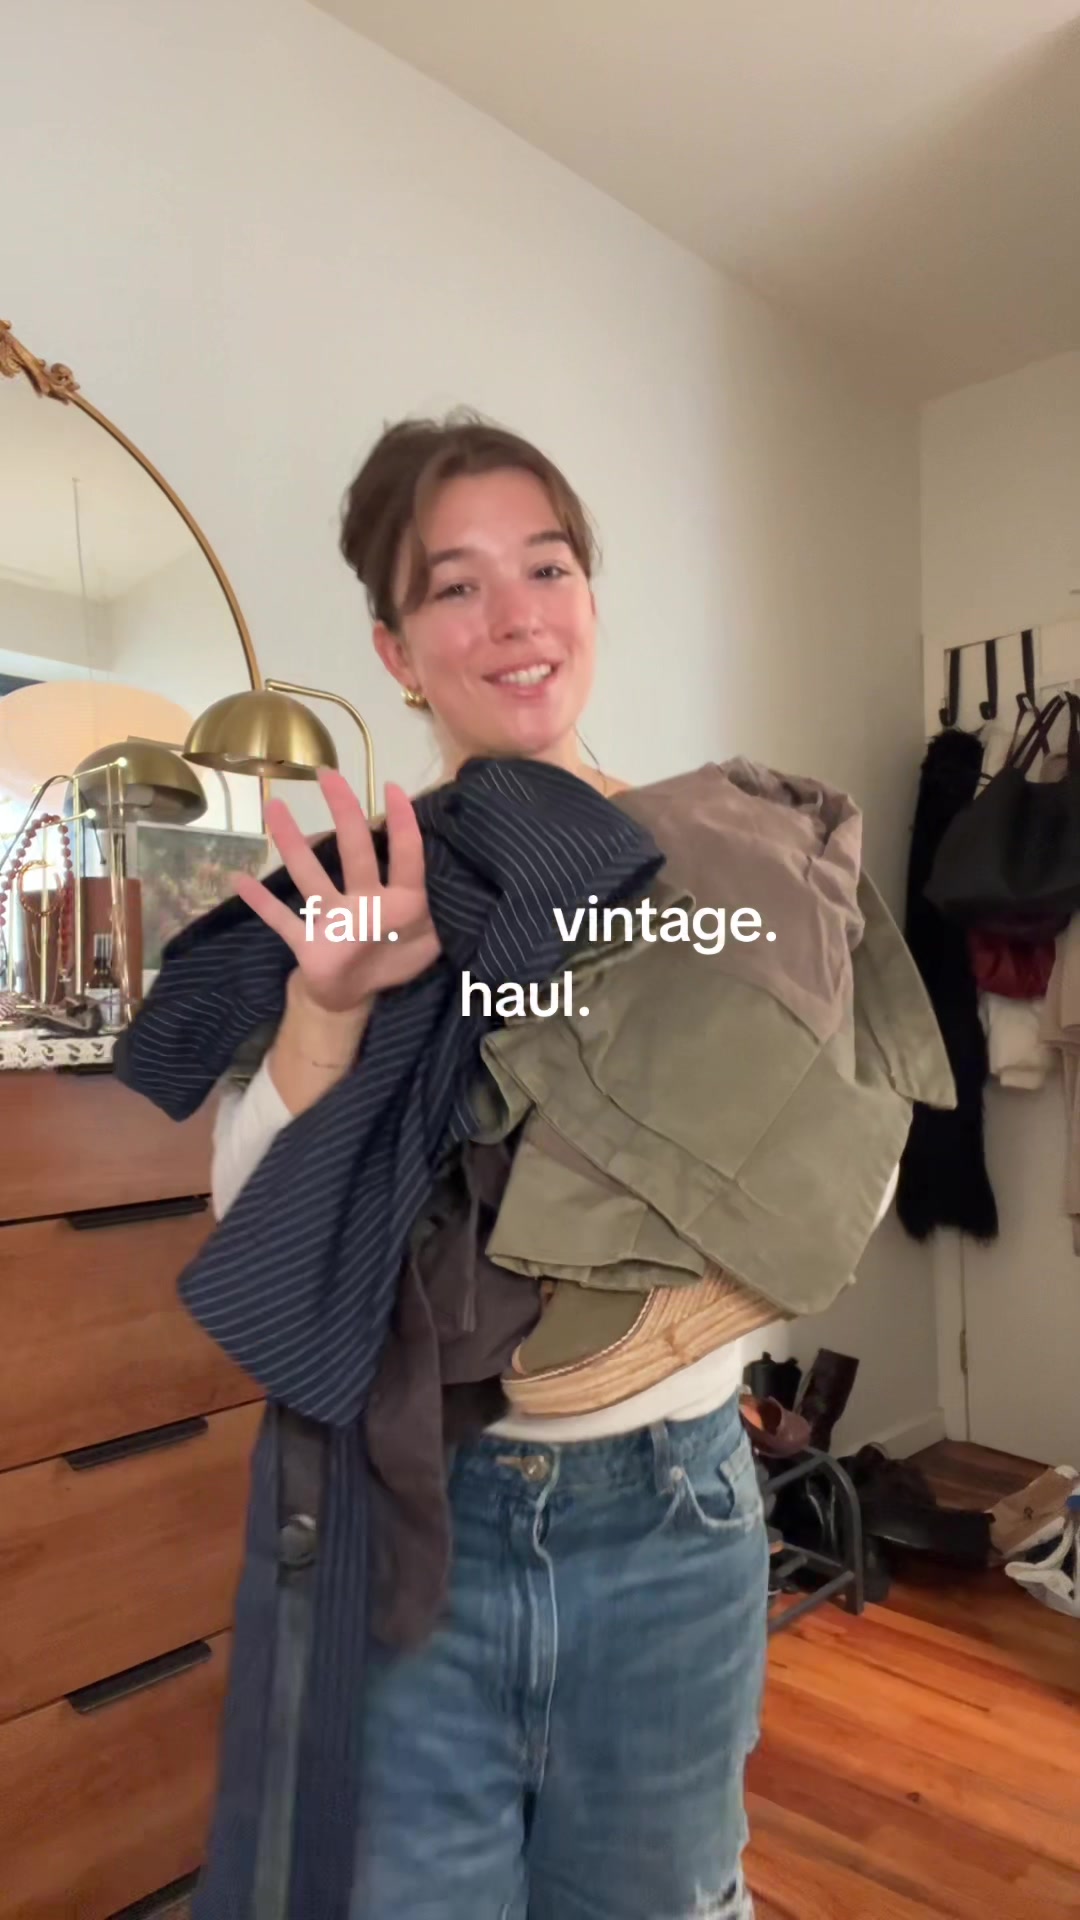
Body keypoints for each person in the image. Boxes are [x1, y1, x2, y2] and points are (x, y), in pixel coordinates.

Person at [208, 415, 854, 1920]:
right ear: (395, 649)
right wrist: (323, 1011)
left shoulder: (721, 864)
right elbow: (256, 1238)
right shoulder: (362, 893)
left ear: (590, 598)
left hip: (675, 1521)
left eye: (547, 568)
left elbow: (830, 1174)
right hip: (422, 1527)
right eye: (457, 586)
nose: (515, 617)